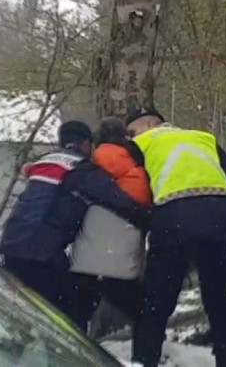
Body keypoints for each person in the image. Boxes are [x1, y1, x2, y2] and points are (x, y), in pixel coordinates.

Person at [126, 108, 226, 367]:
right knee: (219, 298)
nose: (130, 136)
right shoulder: (203, 138)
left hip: (174, 218)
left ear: (148, 125)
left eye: (132, 131)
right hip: (224, 215)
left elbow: (132, 189)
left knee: (156, 304)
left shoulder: (139, 144)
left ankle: (144, 361)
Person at [0, 120, 150, 327]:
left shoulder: (44, 162)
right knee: (71, 311)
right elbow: (120, 202)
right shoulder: (80, 169)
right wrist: (153, 219)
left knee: (24, 315)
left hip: (11, 244)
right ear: (87, 144)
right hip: (41, 253)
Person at [68, 117, 152, 331]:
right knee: (138, 308)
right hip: (128, 239)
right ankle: (148, 350)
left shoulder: (94, 160)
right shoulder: (139, 160)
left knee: (77, 310)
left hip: (92, 243)